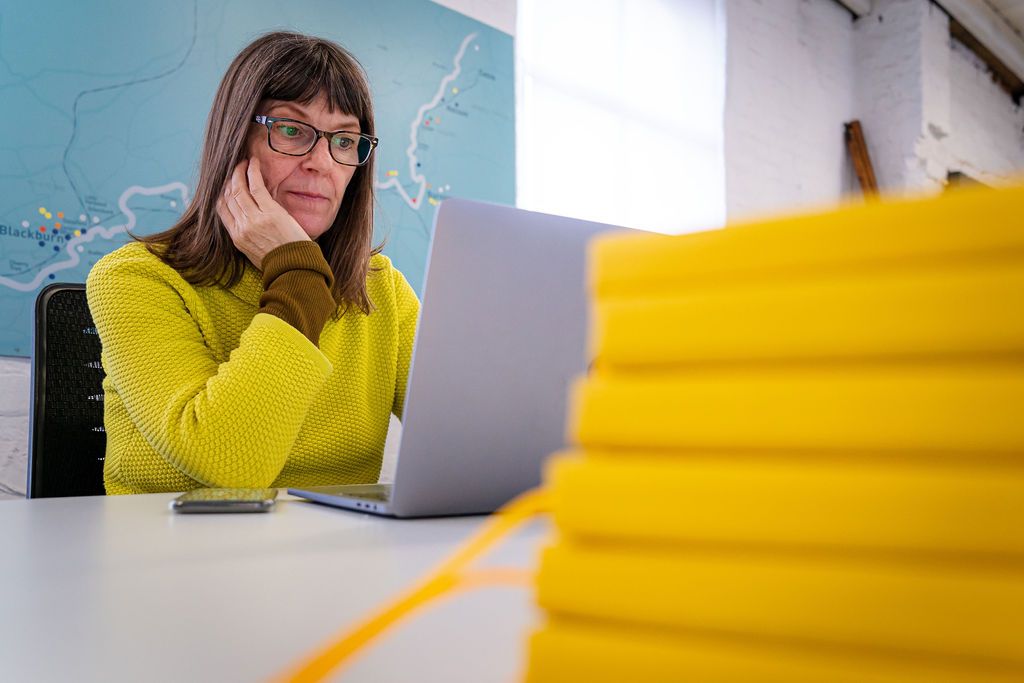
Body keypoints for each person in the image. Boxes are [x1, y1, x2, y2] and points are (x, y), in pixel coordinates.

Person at [86, 32, 419, 494]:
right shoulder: (134, 278)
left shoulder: (382, 290)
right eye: (290, 129)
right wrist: (298, 276)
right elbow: (227, 464)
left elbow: (469, 438)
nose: (322, 163)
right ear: (235, 139)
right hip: (172, 556)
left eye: (344, 140)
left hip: (337, 558)